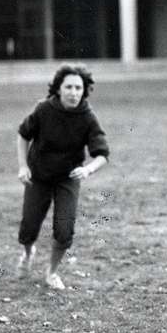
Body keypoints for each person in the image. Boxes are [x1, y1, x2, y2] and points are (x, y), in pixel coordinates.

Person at [16, 63, 109, 291]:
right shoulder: (43, 110)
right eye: (68, 87)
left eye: (78, 88)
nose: (73, 93)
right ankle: (28, 253)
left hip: (67, 178)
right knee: (29, 227)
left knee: (64, 230)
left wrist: (88, 169)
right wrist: (23, 166)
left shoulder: (87, 117)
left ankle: (52, 272)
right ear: (58, 89)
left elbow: (102, 155)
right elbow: (23, 135)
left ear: (84, 90)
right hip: (39, 176)